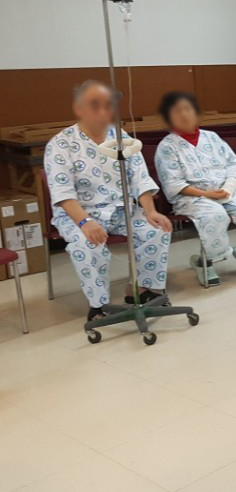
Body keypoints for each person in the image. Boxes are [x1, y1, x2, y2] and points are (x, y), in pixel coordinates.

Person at [43, 80, 173, 321]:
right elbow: (62, 192)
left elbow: (139, 177)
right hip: (79, 213)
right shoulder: (61, 145)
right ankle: (98, 304)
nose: (103, 111)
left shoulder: (121, 138)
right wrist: (85, 223)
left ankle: (140, 290)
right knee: (87, 244)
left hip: (120, 209)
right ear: (79, 108)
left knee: (156, 230)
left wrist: (150, 211)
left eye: (108, 105)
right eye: (95, 105)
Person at [154, 91, 236, 286]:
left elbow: (233, 165)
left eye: (188, 109)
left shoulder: (213, 137)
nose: (184, 114)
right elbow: (173, 182)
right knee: (215, 216)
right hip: (193, 197)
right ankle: (204, 262)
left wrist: (228, 189)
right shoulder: (167, 146)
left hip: (225, 192)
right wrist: (206, 194)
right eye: (177, 111)